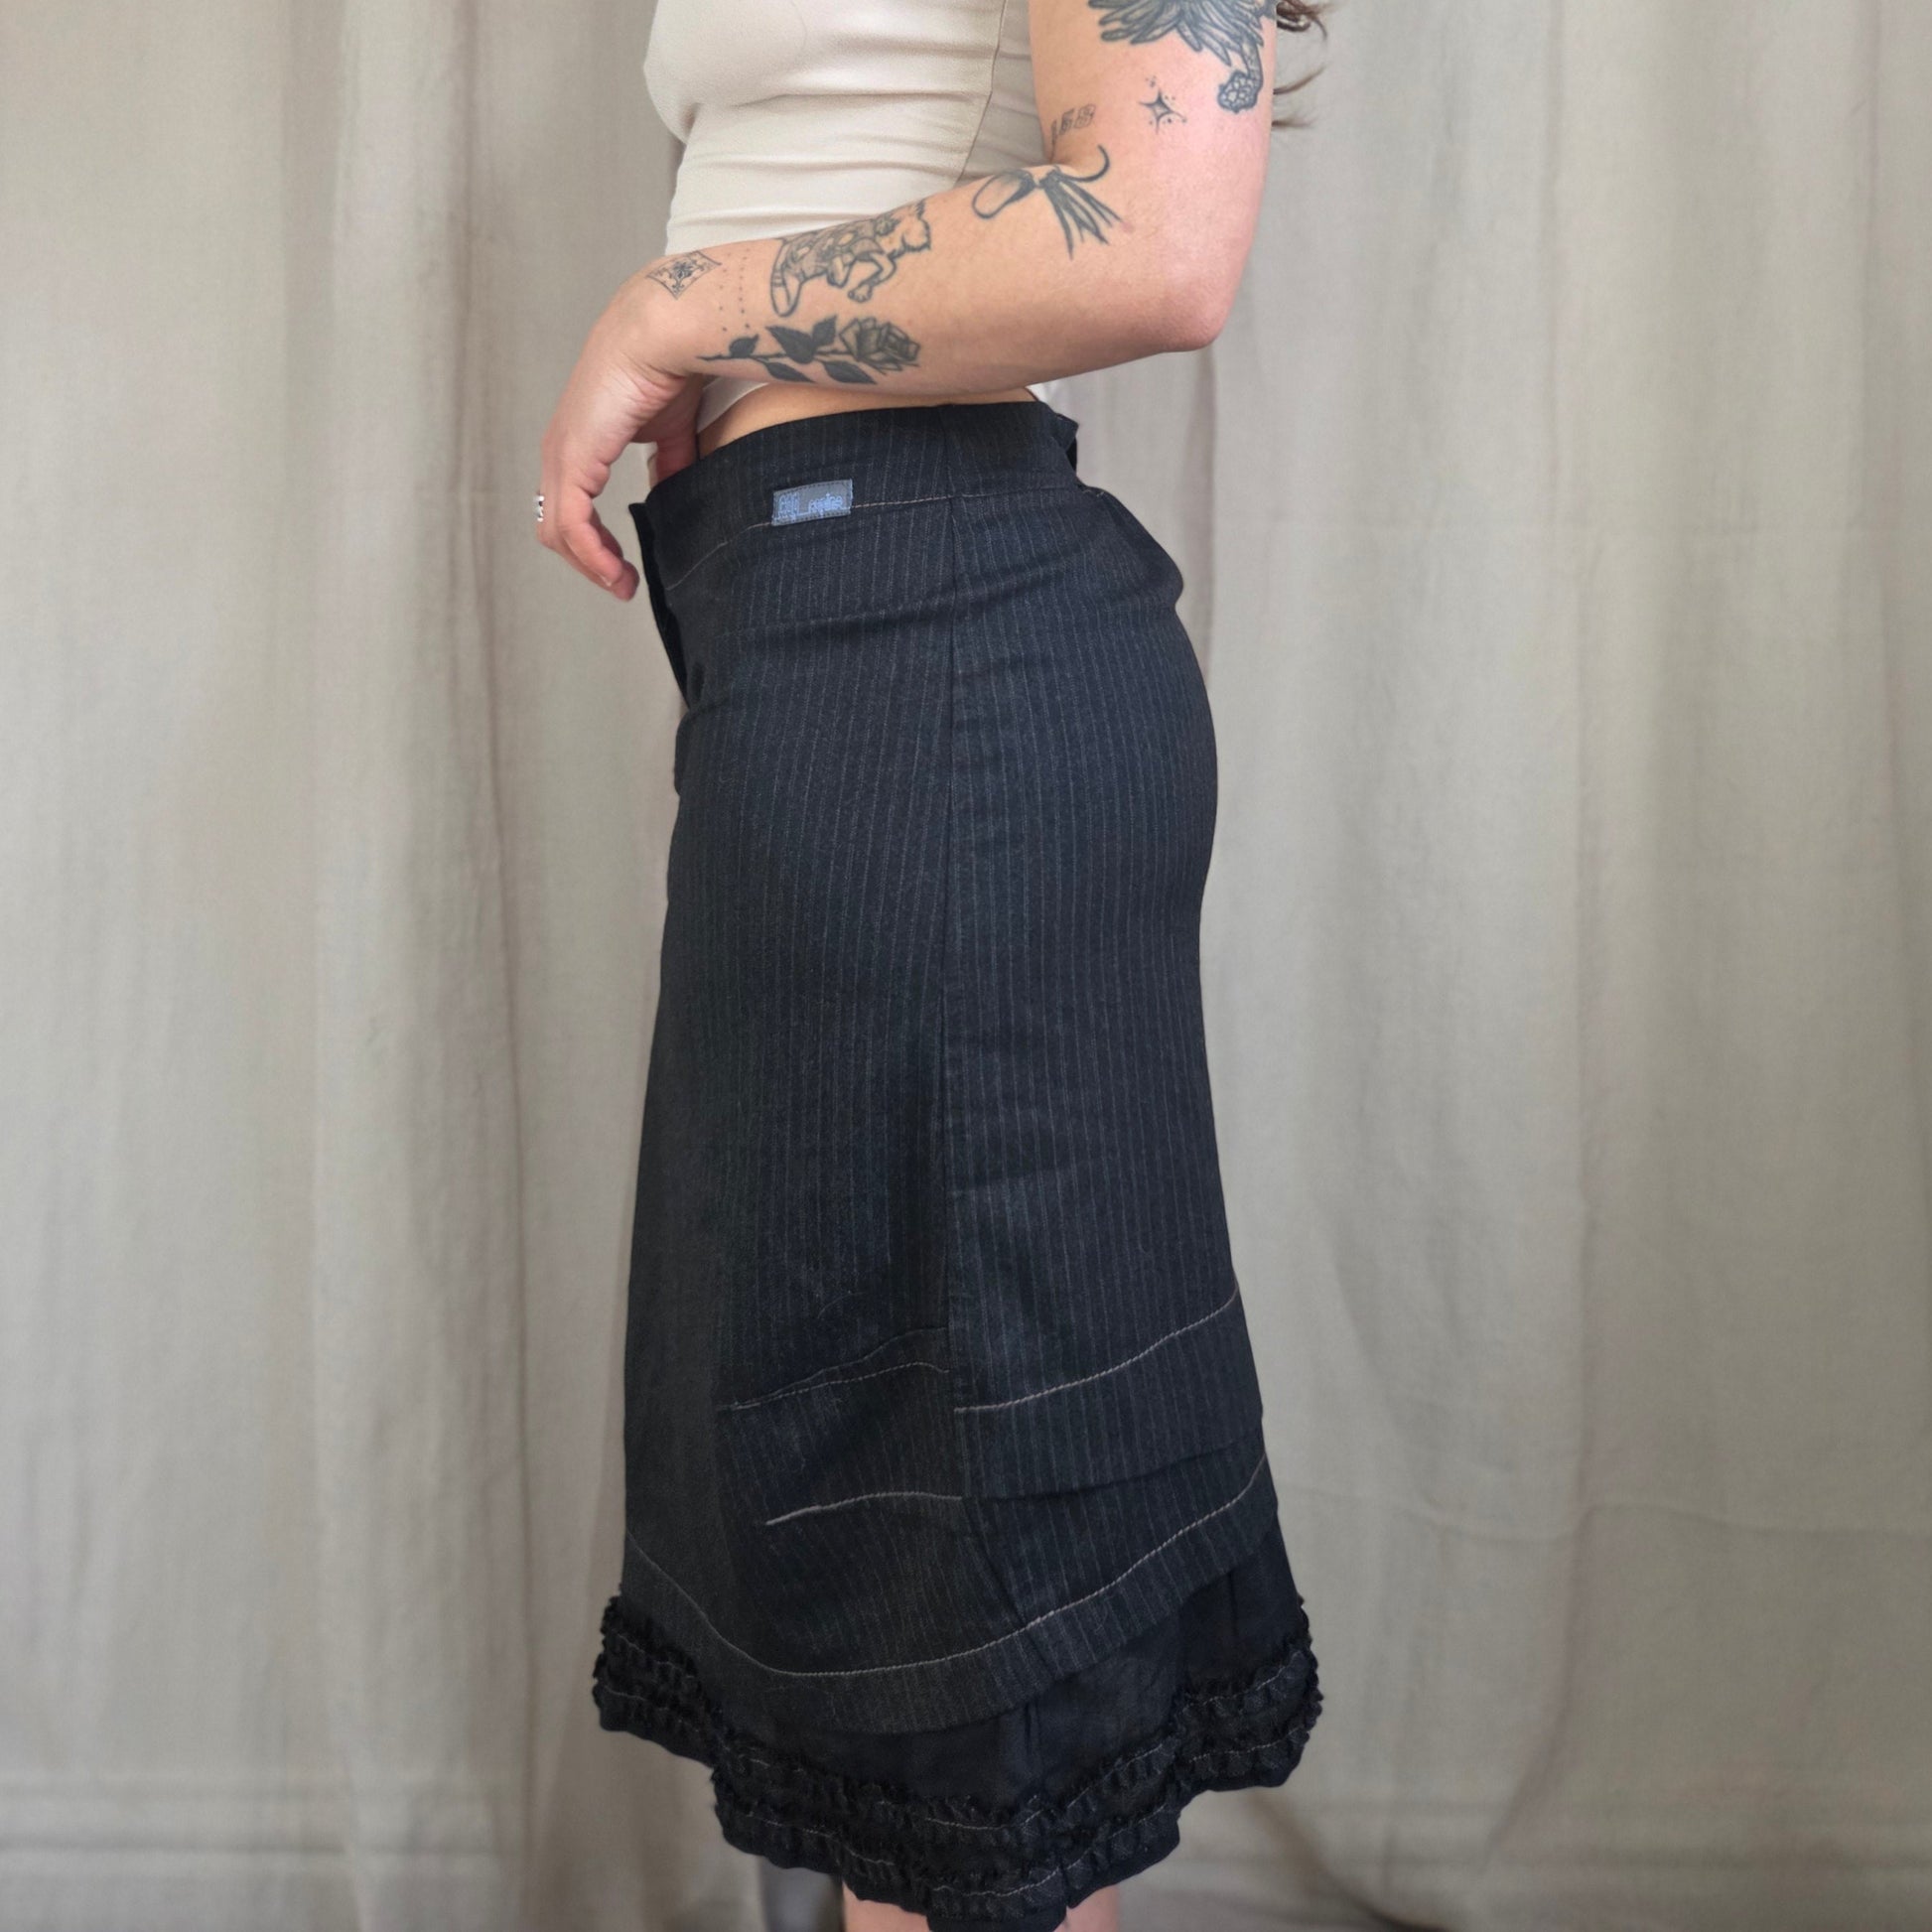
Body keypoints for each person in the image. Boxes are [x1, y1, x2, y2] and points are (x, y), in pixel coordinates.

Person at [537, 4, 1328, 1926]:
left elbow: (1156, 242)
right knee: (911, 1563)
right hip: (831, 626)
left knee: (953, 1600)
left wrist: (671, 306)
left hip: (928, 661)